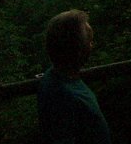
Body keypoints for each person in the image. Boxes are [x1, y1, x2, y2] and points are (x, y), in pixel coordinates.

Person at [37, 9, 111, 144]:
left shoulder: (56, 77)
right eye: (89, 41)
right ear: (77, 50)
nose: (92, 45)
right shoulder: (64, 96)